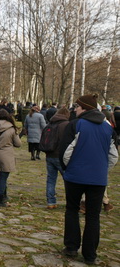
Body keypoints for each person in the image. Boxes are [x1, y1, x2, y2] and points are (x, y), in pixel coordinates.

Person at [59, 94, 118, 265]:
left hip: (75, 177)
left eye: (76, 107)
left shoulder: (76, 125)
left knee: (72, 210)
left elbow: (65, 153)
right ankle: (90, 255)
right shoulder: (108, 128)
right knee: (93, 216)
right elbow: (113, 156)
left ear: (84, 108)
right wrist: (100, 170)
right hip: (98, 179)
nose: (74, 110)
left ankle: (71, 247)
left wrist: (69, 169)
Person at [0, 109, 21, 207]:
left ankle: (4, 196)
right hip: (6, 154)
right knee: (3, 177)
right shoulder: (11, 129)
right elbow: (18, 144)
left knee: (2, 175)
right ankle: (0, 200)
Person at [44, 107, 70, 209]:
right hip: (61, 156)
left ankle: (51, 202)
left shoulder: (50, 123)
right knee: (68, 180)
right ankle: (70, 201)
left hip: (49, 155)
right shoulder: (66, 125)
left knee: (51, 179)